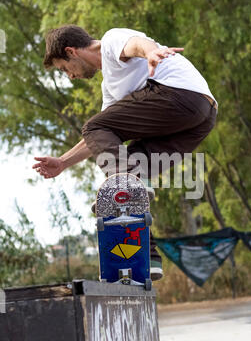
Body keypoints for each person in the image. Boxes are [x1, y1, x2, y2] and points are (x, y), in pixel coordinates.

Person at [33, 25, 218, 281]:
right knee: (130, 165)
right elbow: (97, 136)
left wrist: (152, 53)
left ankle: (128, 186)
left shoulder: (109, 41)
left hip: (178, 96)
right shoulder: (111, 89)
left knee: (117, 168)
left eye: (65, 69)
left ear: (71, 51)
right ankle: (148, 257)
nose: (71, 77)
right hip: (201, 118)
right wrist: (63, 162)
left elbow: (138, 43)